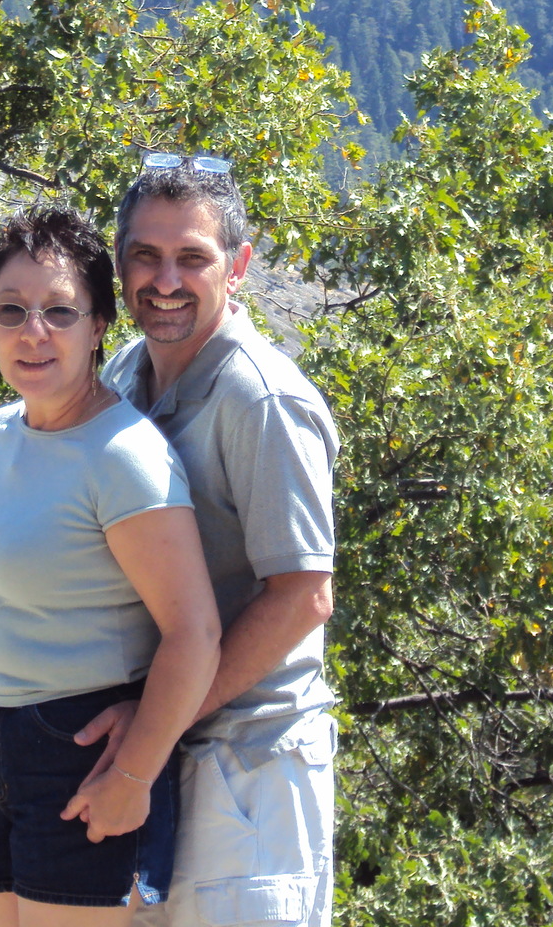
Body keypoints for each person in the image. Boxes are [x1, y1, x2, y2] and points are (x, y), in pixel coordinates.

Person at [0, 204, 222, 927]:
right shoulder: (1, 431)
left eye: (60, 312)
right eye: (11, 309)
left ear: (98, 326)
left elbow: (194, 633)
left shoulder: (123, 457)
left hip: (79, 749)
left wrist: (133, 774)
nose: (33, 332)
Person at [79, 155, 339, 927]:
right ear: (119, 264)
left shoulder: (261, 400)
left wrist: (156, 724)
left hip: (248, 775)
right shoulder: (125, 375)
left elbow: (303, 598)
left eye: (192, 257)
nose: (166, 280)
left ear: (239, 265)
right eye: (145, 255)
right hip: (153, 763)